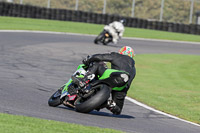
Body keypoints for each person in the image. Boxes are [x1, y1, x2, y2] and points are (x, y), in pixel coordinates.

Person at [74, 46, 136, 115]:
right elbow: (128, 84)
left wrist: (88, 59)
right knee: (117, 110)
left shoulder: (117, 56)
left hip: (113, 77)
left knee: (97, 64)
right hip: (121, 87)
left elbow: (100, 57)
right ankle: (108, 103)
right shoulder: (133, 69)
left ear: (121, 52)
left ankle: (84, 80)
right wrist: (122, 94)